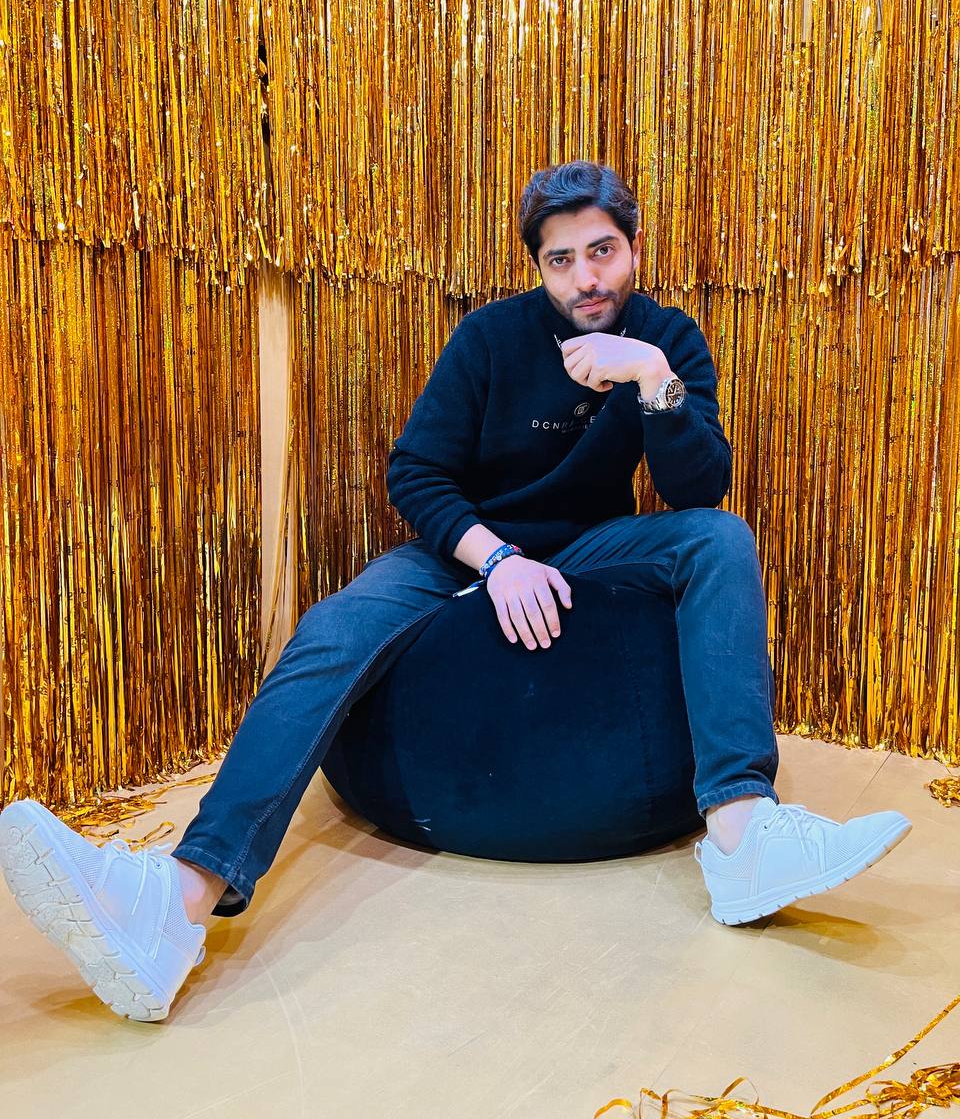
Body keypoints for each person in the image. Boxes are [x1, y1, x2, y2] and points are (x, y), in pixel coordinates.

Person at [0, 160, 911, 1022]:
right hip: (467, 545)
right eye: (562, 260)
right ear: (538, 267)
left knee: (721, 539)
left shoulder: (664, 340)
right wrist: (497, 560)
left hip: (593, 543)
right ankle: (178, 900)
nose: (587, 277)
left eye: (603, 251)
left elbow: (697, 489)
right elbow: (416, 471)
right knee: (333, 628)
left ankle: (744, 837)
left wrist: (650, 378)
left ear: (634, 247)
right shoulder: (490, 338)